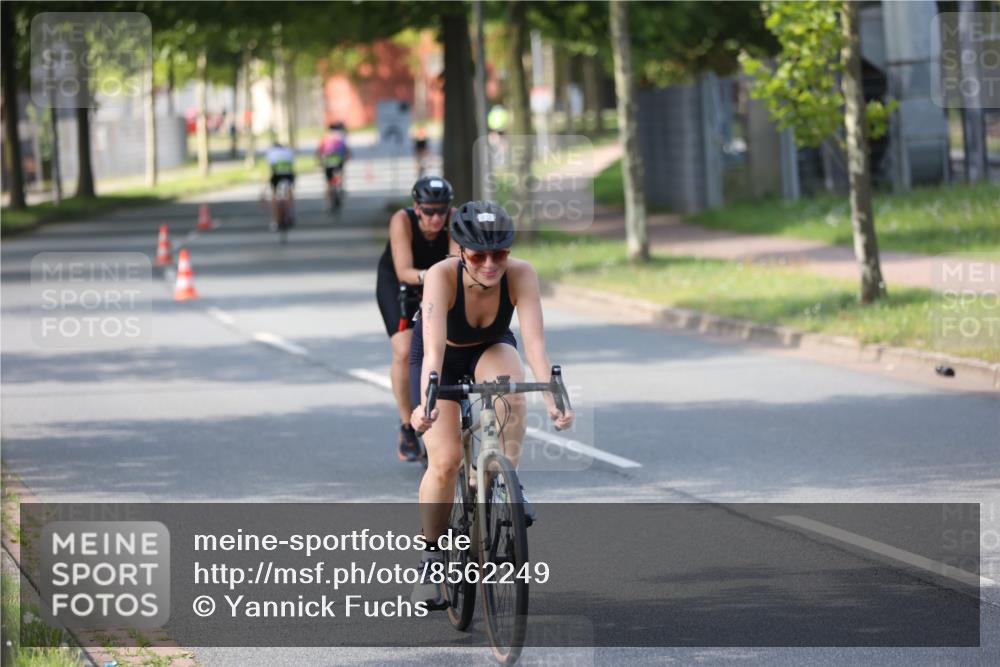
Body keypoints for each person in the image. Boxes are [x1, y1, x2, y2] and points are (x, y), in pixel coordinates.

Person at [408, 201, 574, 608]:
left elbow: (536, 346)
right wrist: (425, 404)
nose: (489, 264)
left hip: (490, 347)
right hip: (441, 356)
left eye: (499, 254)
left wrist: (553, 397)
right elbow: (431, 353)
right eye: (478, 255)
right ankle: (431, 557)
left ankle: (502, 482)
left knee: (512, 393)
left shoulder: (521, 275)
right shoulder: (441, 276)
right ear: (461, 252)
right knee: (445, 462)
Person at [376, 177, 459, 462]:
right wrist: (433, 279)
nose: (436, 218)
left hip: (439, 283)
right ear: (416, 207)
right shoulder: (402, 220)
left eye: (442, 211)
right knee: (403, 350)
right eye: (428, 211)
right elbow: (404, 270)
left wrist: (441, 285)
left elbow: (457, 261)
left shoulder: (454, 218)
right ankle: (406, 425)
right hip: (402, 283)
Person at [317, 122, 350, 210]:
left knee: (328, 183)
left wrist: (319, 161)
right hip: (338, 160)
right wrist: (347, 157)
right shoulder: (340, 136)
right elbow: (346, 150)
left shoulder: (325, 137)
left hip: (327, 161)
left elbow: (319, 150)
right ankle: (339, 187)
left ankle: (328, 204)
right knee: (339, 175)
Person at [265, 140, 296, 231]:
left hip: (276, 175)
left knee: (274, 195)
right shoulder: (288, 151)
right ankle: (290, 212)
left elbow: (270, 167)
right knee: (289, 192)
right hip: (288, 174)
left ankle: (275, 220)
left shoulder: (271, 152)